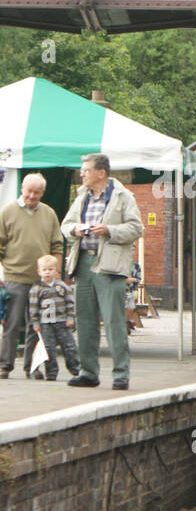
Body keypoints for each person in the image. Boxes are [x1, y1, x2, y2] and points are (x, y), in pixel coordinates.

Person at [61, 153, 144, 391]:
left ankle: (120, 375)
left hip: (109, 266)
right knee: (84, 320)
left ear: (101, 173)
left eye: (86, 170)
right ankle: (88, 372)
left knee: (113, 321)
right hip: (83, 264)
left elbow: (136, 228)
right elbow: (64, 226)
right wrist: (75, 229)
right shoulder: (81, 197)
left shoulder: (123, 196)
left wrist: (108, 230)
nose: (82, 173)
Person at [0, 173, 64, 379]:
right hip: (14, 277)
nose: (32, 196)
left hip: (42, 281)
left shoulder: (49, 214)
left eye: (37, 192)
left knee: (37, 326)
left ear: (42, 193)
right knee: (12, 323)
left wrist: (56, 274)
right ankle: (5, 365)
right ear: (22, 188)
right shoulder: (7, 212)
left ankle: (32, 367)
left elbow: (57, 245)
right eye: (29, 191)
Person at [26, 253, 79, 381]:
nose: (48, 272)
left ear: (56, 271)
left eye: (51, 269)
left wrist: (70, 318)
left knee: (69, 346)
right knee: (49, 348)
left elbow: (70, 303)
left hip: (61, 321)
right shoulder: (36, 289)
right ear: (39, 272)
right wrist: (36, 323)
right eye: (44, 270)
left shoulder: (62, 287)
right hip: (45, 323)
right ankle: (51, 373)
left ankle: (76, 369)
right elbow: (33, 307)